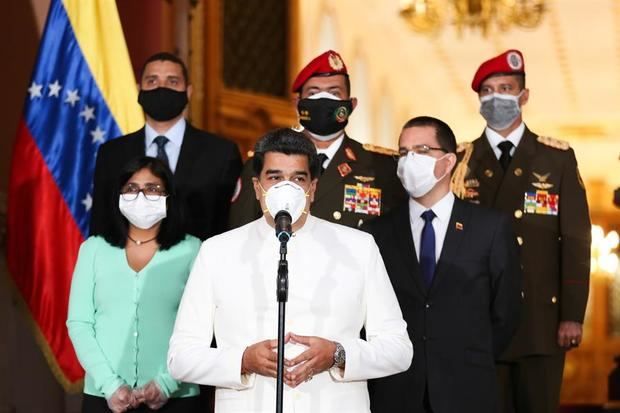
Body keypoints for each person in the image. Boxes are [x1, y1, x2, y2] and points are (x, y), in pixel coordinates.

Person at [167, 128, 412, 413]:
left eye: (298, 178)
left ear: (313, 188)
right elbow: (180, 358)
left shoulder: (358, 247)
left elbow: (399, 349)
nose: (287, 188)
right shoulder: (217, 251)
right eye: (275, 178)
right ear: (257, 188)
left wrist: (338, 354)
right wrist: (243, 361)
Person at [451, 49, 591, 413]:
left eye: (506, 88)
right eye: (488, 91)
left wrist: (572, 314)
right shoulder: (461, 159)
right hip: (477, 320)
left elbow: (575, 240)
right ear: (479, 100)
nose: (496, 97)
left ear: (523, 96)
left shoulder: (555, 158)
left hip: (541, 322)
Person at [366, 116, 522, 413]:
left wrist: (469, 354)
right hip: (396, 390)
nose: (410, 160)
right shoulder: (376, 233)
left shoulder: (489, 228)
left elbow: (507, 311)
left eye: (422, 150)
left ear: (449, 161)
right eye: (403, 152)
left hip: (467, 387)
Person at [67, 157, 201, 412]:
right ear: (119, 196)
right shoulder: (93, 249)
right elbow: (79, 323)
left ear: (168, 196)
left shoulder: (193, 250)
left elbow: (203, 327)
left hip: (177, 397)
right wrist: (110, 385)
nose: (140, 196)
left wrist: (166, 383)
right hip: (104, 397)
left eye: (152, 188)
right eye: (131, 188)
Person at [228, 50, 406, 230]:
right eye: (313, 93)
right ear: (297, 103)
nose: (323, 100)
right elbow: (240, 234)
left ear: (351, 105)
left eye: (334, 93)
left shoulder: (382, 168)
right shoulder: (263, 163)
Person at [90, 52, 242, 241]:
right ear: (139, 90)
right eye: (152, 81)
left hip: (200, 265)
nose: (161, 88)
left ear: (188, 92)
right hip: (129, 265)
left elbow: (231, 224)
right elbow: (101, 221)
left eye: (172, 82)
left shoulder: (221, 153)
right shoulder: (112, 153)